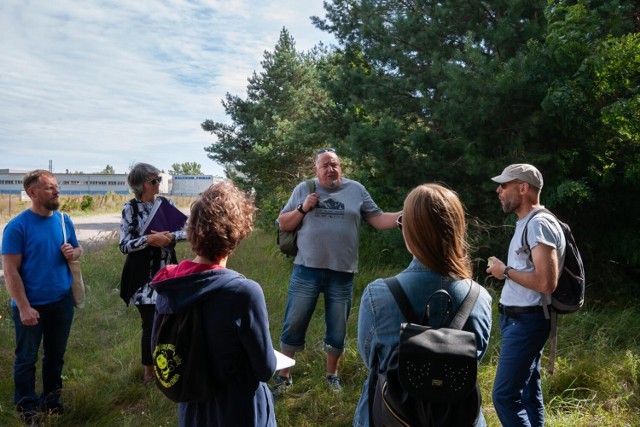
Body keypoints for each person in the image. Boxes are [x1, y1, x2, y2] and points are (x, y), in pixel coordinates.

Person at [353, 183, 493, 426]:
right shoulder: (480, 297)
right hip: (459, 416)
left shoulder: (378, 294)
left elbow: (372, 360)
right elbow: (475, 358)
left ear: (411, 231)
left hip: (393, 413)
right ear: (457, 228)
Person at [273, 148, 401, 392]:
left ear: (341, 167)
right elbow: (282, 223)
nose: (331, 169)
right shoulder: (304, 188)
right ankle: (284, 376)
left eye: (335, 164)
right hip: (306, 269)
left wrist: (406, 216)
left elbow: (378, 219)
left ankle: (332, 376)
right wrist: (303, 208)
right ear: (316, 170)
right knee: (294, 322)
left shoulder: (356, 190)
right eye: (325, 165)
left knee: (338, 327)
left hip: (341, 272)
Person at [150, 180, 277, 426]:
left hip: (193, 410)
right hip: (237, 410)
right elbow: (265, 369)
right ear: (237, 234)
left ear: (193, 229)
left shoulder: (168, 283)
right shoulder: (244, 292)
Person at [486, 164, 566, 427]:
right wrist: (505, 271)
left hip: (526, 322)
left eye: (504, 185)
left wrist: (505, 271)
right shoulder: (527, 222)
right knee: (529, 393)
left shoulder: (538, 224)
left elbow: (546, 282)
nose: (499, 190)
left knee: (504, 396)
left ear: (523, 188)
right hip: (518, 320)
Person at [1, 170, 82, 423]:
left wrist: (73, 252)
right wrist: (24, 307)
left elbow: (78, 250)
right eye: (49, 188)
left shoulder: (63, 221)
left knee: (55, 355)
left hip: (61, 302)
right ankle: (27, 407)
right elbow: (10, 270)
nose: (56, 191)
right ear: (32, 193)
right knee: (26, 358)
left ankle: (51, 402)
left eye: (56, 187)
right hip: (30, 304)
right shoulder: (17, 226)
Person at [119, 162, 185, 384]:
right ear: (140, 184)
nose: (158, 183)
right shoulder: (130, 209)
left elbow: (184, 232)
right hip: (142, 280)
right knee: (150, 325)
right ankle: (149, 372)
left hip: (168, 275)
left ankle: (169, 366)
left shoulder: (167, 204)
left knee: (170, 323)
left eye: (159, 179)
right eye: (153, 180)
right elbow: (124, 245)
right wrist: (149, 240)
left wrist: (171, 237)